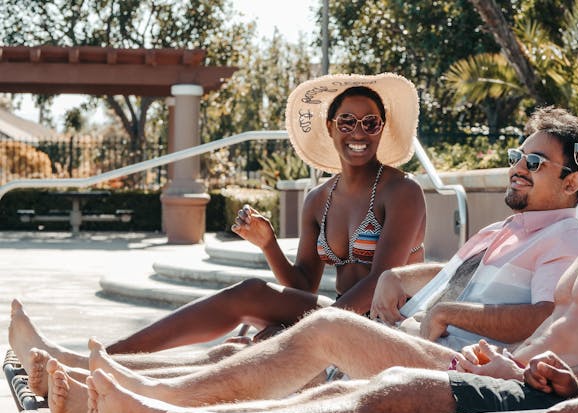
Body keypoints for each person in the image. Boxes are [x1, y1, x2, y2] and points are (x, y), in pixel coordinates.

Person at [63, 94, 578, 413]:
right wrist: (504, 354)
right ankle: (151, 400)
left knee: (340, 338)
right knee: (328, 339)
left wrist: (564, 380)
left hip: (540, 396)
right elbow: (552, 321)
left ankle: (158, 406)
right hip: (499, 368)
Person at [10, 73, 427, 368]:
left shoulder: (400, 191)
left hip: (386, 322)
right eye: (348, 121)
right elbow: (302, 286)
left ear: (381, 128)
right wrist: (267, 245)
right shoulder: (319, 199)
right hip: (331, 313)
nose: (359, 132)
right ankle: (102, 361)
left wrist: (314, 324)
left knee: (256, 342)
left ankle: (94, 366)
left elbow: (383, 280)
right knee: (250, 309)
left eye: (370, 122)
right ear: (331, 127)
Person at [80, 284, 578, 413]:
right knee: (333, 371)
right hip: (544, 382)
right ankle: (161, 404)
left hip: (576, 400)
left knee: (384, 384)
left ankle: (166, 412)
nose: (522, 164)